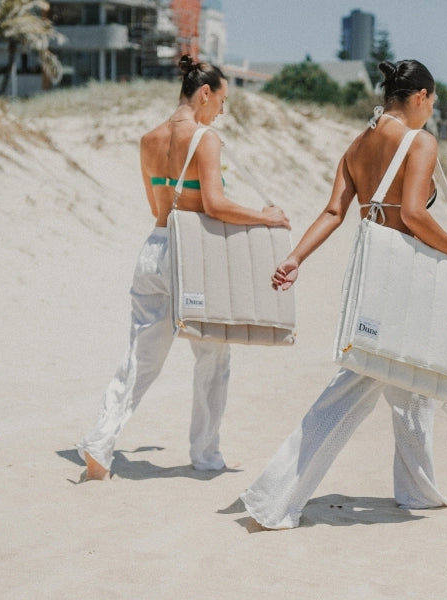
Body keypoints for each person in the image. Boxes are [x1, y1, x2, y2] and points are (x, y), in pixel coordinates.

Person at [240, 59, 447, 529]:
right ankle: (273, 498)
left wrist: (295, 258)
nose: (431, 111)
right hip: (403, 281)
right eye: (432, 101)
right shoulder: (421, 142)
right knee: (355, 388)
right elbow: (412, 214)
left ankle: (418, 491)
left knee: (412, 381)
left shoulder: (358, 145)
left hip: (373, 275)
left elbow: (334, 212)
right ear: (419, 97)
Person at [77, 56, 290, 481]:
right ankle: (206, 455)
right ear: (204, 93)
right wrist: (266, 217)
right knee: (213, 355)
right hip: (192, 255)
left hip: (154, 248)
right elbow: (214, 205)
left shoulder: (149, 138)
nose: (222, 111)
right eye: (222, 100)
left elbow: (157, 207)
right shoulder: (205, 138)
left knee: (140, 357)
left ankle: (100, 441)